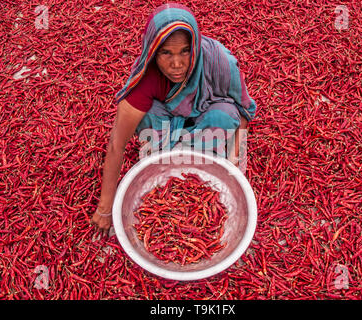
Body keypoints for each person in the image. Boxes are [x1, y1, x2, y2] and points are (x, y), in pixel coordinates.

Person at [91, 3, 256, 231]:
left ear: (195, 46)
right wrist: (105, 208)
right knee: (145, 114)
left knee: (227, 114)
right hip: (165, 121)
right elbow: (116, 144)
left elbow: (243, 112)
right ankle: (164, 157)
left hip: (207, 117)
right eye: (166, 53)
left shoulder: (219, 61)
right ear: (152, 51)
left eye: (185, 51)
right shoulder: (147, 78)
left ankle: (198, 158)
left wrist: (234, 165)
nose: (176, 64)